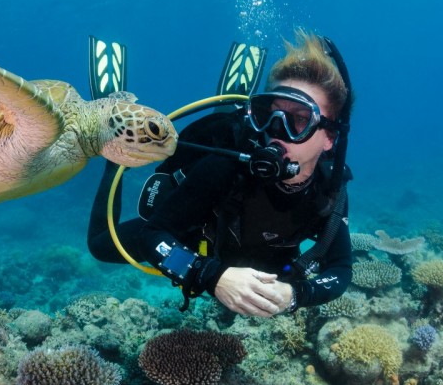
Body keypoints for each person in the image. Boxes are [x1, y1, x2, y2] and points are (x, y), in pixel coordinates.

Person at [86, 30, 353, 317]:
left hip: (260, 257)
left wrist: (295, 294)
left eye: (299, 120)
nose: (276, 132)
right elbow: (152, 236)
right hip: (198, 238)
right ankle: (113, 156)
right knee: (100, 246)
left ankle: (231, 105)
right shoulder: (227, 166)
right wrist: (208, 275)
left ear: (329, 138)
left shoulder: (328, 189)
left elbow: (340, 268)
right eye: (268, 114)